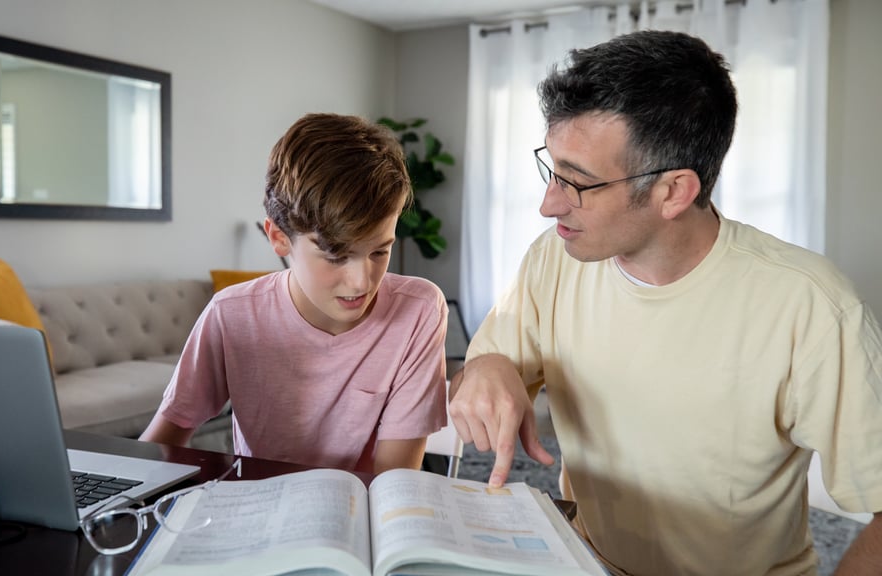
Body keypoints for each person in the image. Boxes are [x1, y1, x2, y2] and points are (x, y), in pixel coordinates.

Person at [448, 30, 882, 575]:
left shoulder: (813, 307)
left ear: (674, 191)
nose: (547, 204)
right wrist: (485, 365)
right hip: (584, 561)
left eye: (576, 183)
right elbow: (476, 378)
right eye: (551, 169)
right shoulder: (553, 259)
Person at [141, 113, 448, 474]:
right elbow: (159, 445)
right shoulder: (232, 315)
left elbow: (393, 483)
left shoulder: (418, 311)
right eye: (336, 256)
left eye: (379, 251)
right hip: (259, 512)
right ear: (278, 238)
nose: (362, 282)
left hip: (362, 516)